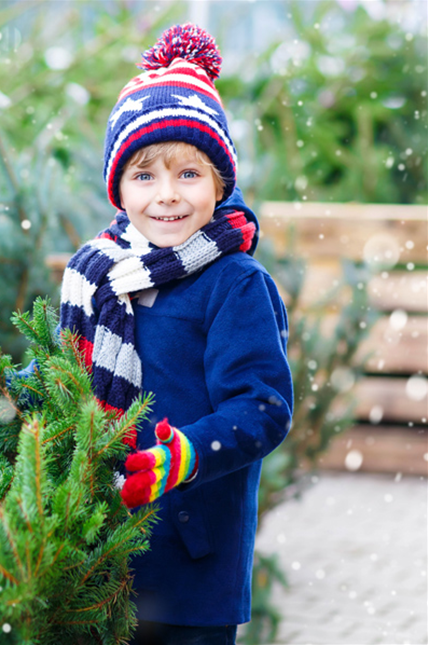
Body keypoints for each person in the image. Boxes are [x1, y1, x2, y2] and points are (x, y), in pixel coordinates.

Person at [58, 24, 293, 645]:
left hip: (190, 570)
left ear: (221, 184)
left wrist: (179, 458)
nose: (166, 195)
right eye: (144, 175)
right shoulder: (101, 278)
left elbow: (262, 408)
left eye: (188, 174)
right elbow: (65, 383)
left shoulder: (234, 284)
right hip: (98, 561)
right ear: (119, 189)